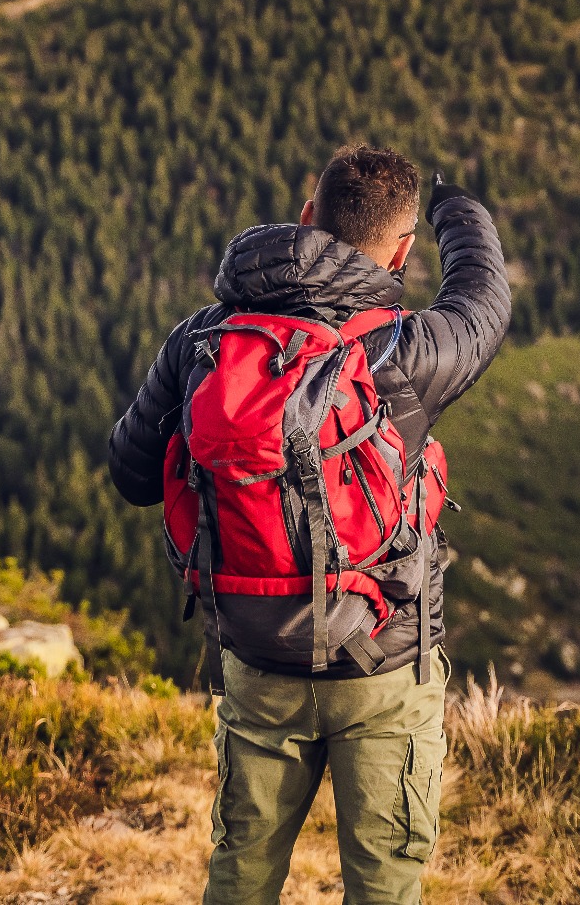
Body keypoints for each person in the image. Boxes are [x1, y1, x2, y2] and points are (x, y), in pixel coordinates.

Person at [108, 144, 510, 905]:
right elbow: (485, 301)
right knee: (385, 886)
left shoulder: (202, 337)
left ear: (305, 218)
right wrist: (456, 205)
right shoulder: (408, 350)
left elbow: (130, 474)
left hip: (256, 660)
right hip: (383, 664)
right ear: (401, 252)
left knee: (240, 875)